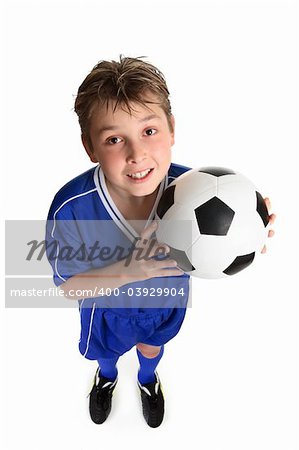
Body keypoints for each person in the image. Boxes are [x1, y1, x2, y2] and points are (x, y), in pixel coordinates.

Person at [46, 55, 275, 428]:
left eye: (149, 131)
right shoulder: (71, 209)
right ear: (90, 147)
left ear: (171, 129)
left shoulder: (195, 190)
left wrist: (247, 230)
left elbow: (222, 233)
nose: (136, 155)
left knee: (152, 346)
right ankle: (107, 377)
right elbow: (69, 288)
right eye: (114, 139)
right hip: (105, 311)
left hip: (167, 300)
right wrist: (128, 270)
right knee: (107, 353)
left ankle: (147, 379)